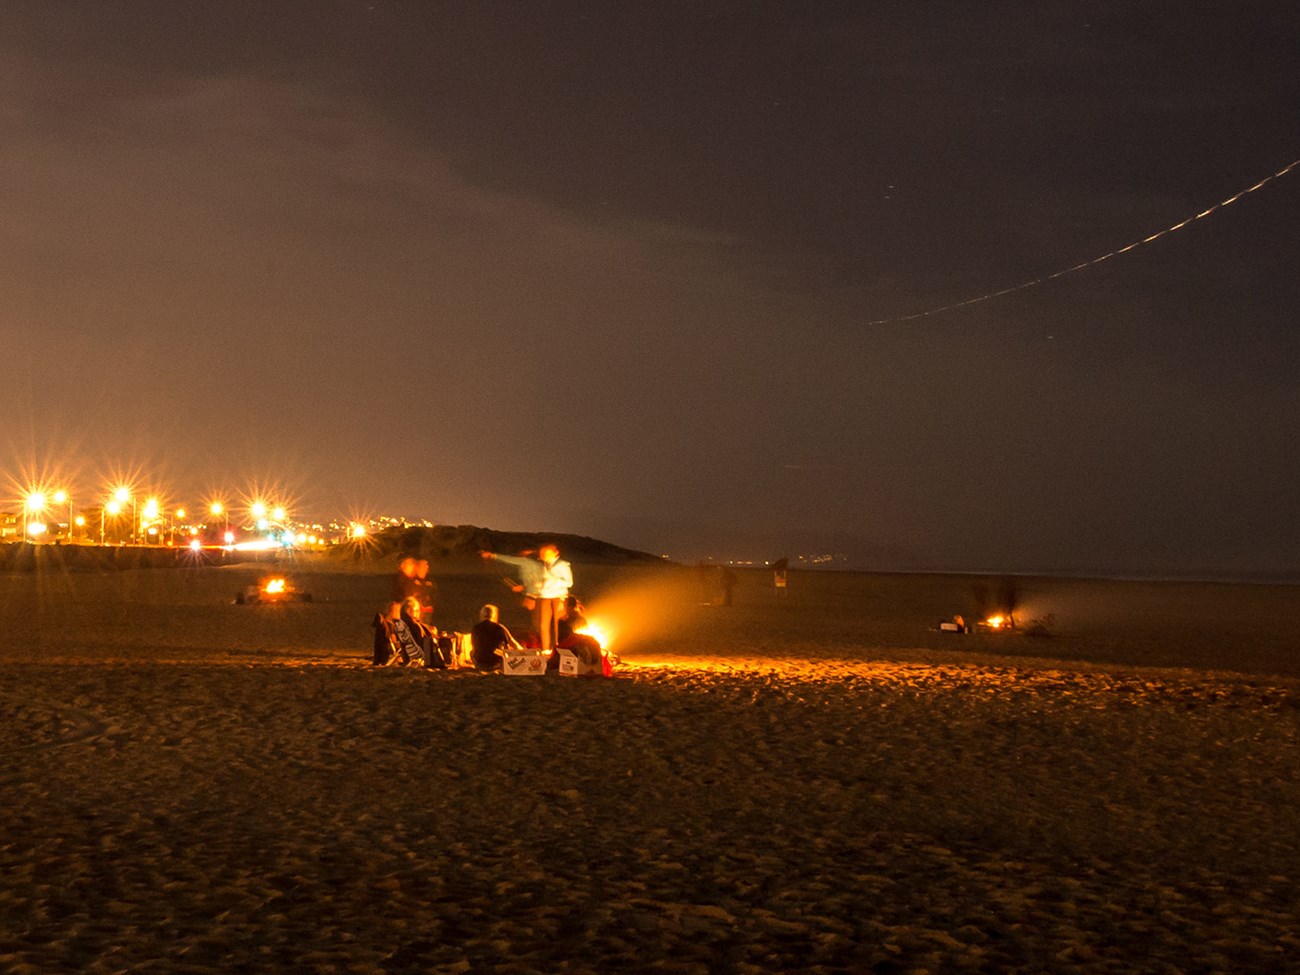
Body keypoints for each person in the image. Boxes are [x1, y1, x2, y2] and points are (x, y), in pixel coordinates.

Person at [481, 544, 572, 651]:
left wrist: (493, 556)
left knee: (551, 625)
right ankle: (546, 648)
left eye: (545, 554)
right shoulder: (542, 565)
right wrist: (525, 587)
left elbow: (568, 582)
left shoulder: (558, 565)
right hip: (543, 596)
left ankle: (555, 647)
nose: (542, 556)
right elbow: (537, 582)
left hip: (551, 596)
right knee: (544, 625)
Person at [470, 604, 520, 671]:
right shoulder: (499, 627)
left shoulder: (475, 628)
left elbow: (474, 647)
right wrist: (524, 651)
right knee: (507, 650)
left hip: (480, 664)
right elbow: (514, 644)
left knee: (471, 652)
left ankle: (479, 667)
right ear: (495, 615)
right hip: (496, 664)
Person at [401, 596, 446, 668]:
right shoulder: (413, 625)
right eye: (416, 610)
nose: (418, 612)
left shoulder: (404, 624)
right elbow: (422, 641)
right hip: (425, 656)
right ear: (408, 610)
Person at [414, 558, 438, 624]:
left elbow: (434, 594)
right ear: (418, 568)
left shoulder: (431, 581)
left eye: (427, 565)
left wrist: (431, 603)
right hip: (417, 611)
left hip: (428, 611)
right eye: (424, 565)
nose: (426, 567)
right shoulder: (413, 581)